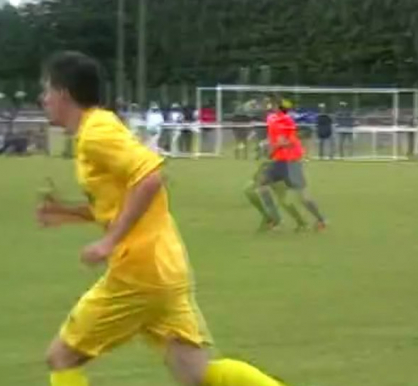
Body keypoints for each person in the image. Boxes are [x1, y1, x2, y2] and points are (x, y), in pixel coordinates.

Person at [36, 51, 288, 386]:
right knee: (197, 374)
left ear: (64, 93)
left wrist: (109, 242)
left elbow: (150, 178)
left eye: (46, 90)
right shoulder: (98, 128)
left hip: (139, 271)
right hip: (164, 266)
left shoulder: (96, 132)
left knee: (61, 358)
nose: (43, 99)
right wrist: (65, 211)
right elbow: (123, 199)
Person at [255, 96, 327, 231]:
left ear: (276, 105)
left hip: (290, 161)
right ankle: (275, 220)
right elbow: (274, 137)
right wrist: (267, 144)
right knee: (262, 185)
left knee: (302, 196)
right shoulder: (272, 119)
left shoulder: (284, 120)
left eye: (268, 104)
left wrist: (272, 150)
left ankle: (320, 220)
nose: (266, 106)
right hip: (280, 161)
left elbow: (285, 141)